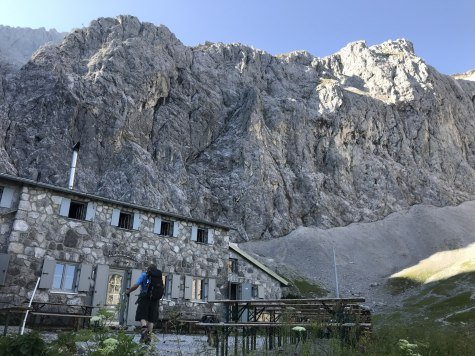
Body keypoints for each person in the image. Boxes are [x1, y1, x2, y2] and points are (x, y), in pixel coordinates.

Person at [125, 264, 163, 343]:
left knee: (142, 315)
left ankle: (144, 329)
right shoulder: (158, 277)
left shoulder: (144, 275)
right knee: (151, 319)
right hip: (155, 299)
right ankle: (149, 337)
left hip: (145, 297)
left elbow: (136, 285)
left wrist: (129, 291)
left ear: (148, 269)